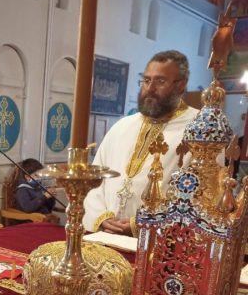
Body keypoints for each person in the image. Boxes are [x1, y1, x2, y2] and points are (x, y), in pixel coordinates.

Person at [83, 50, 200, 236]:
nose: (150, 88)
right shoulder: (122, 126)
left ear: (181, 85)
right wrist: (101, 217)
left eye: (160, 81)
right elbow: (94, 179)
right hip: (105, 235)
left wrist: (142, 225)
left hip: (156, 244)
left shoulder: (199, 130)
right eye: (146, 80)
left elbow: (200, 201)